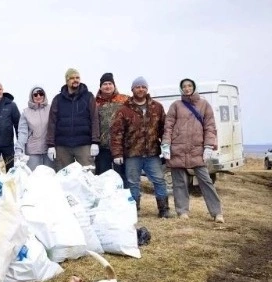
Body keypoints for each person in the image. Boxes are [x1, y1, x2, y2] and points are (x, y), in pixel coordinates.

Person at [162, 78, 224, 223]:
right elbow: (168, 126)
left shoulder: (204, 105)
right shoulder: (176, 105)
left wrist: (209, 146)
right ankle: (182, 211)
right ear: (181, 89)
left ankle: (217, 212)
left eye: (189, 85)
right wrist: (166, 144)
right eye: (184, 86)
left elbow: (210, 127)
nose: (187, 88)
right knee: (179, 183)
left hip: (197, 149)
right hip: (178, 148)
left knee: (206, 181)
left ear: (194, 87)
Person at [110, 76, 174, 218]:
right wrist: (117, 154)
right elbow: (116, 133)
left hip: (152, 153)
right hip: (132, 153)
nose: (141, 89)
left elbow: (164, 129)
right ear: (132, 89)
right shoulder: (124, 109)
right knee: (133, 182)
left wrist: (166, 146)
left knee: (159, 180)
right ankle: (134, 210)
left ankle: (164, 209)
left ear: (147, 89)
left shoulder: (157, 107)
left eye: (143, 87)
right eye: (138, 87)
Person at [46, 68, 100, 171]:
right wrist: (51, 145)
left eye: (77, 77)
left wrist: (95, 142)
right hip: (63, 145)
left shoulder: (88, 97)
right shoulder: (58, 99)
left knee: (88, 176)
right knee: (63, 177)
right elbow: (52, 122)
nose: (75, 80)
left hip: (84, 144)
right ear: (66, 81)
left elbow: (94, 119)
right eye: (72, 78)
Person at [95, 72, 129, 184]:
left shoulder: (125, 100)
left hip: (121, 147)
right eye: (105, 84)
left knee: (123, 177)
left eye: (110, 83)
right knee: (103, 177)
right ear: (100, 86)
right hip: (102, 147)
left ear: (114, 85)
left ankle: (125, 199)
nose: (108, 86)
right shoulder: (95, 102)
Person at [15, 86, 53, 171]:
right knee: (33, 178)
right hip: (33, 152)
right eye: (35, 95)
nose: (38, 96)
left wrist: (55, 146)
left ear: (44, 95)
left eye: (41, 94)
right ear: (32, 97)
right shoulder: (26, 112)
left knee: (50, 178)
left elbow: (56, 128)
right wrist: (19, 149)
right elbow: (22, 132)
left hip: (49, 151)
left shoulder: (51, 109)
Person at [0, 81, 20, 171]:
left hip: (8, 145)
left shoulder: (12, 105)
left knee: (11, 171)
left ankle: (10, 185)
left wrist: (19, 143)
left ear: (2, 90)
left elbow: (18, 125)